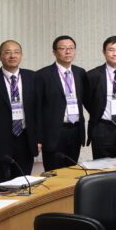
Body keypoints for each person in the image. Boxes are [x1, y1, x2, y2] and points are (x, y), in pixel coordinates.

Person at [0, 40, 40, 184]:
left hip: (25, 138)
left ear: (21, 55)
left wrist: (39, 139)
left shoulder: (33, 77)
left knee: (23, 183)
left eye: (16, 52)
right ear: (0, 56)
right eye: (8, 52)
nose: (12, 56)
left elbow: (38, 112)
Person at [37, 35, 87, 171]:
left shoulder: (80, 73)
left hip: (75, 130)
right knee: (54, 174)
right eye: (63, 48)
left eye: (71, 48)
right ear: (54, 52)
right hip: (54, 133)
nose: (68, 51)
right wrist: (38, 137)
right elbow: (37, 109)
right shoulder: (42, 75)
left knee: (72, 172)